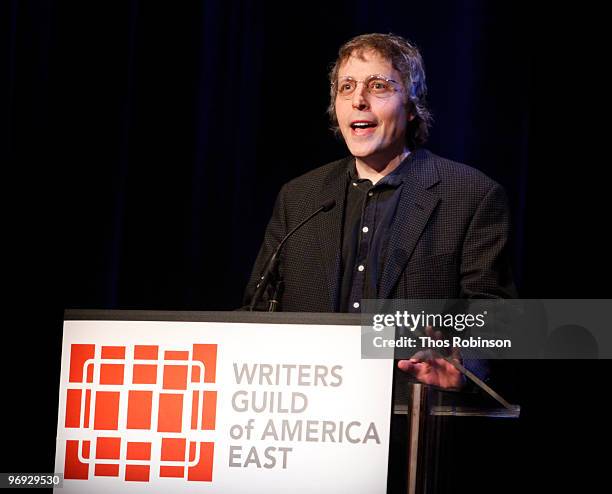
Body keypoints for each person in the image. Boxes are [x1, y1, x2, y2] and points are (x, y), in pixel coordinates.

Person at [244, 33, 516, 390]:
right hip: (308, 418)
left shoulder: (469, 195)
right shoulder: (299, 198)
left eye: (378, 86)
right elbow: (257, 309)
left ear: (411, 104)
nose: (359, 100)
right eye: (347, 87)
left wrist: (463, 362)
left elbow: (494, 314)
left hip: (411, 419)